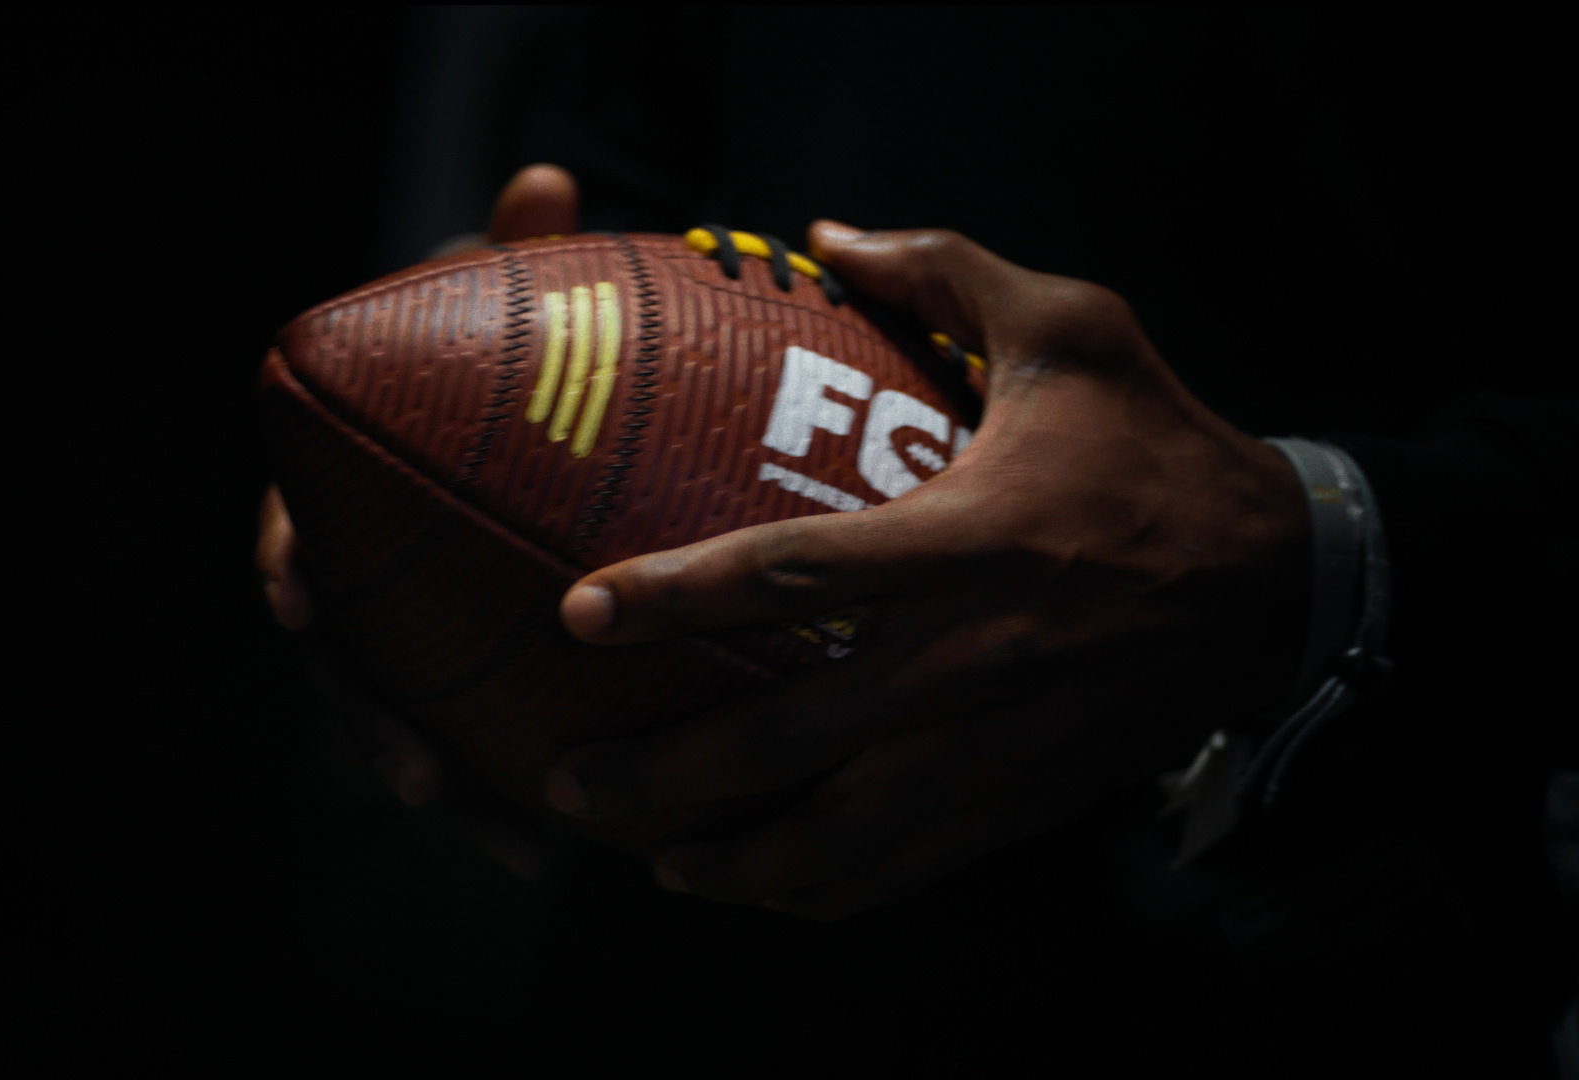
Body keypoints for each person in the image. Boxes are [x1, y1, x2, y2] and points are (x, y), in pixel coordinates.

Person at [260, 10, 1574, 1074]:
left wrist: (1331, 538)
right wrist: (469, 401)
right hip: (721, 943)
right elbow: (638, 134)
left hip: (1348, 924)